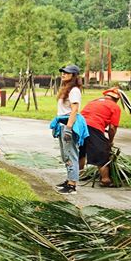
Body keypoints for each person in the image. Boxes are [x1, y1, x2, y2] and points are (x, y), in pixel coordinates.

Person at [49, 65, 88, 195]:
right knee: (66, 155)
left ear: (73, 75)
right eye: (63, 72)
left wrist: (69, 129)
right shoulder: (66, 89)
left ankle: (72, 186)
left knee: (71, 154)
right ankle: (69, 179)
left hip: (69, 125)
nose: (63, 74)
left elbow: (74, 110)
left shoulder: (74, 90)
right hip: (63, 124)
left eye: (67, 73)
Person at [79, 88, 123, 187]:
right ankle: (105, 179)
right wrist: (110, 141)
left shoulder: (93, 102)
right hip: (93, 126)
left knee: (81, 150)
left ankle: (79, 173)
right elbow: (112, 128)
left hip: (79, 125)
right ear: (116, 99)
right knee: (102, 151)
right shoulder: (115, 107)